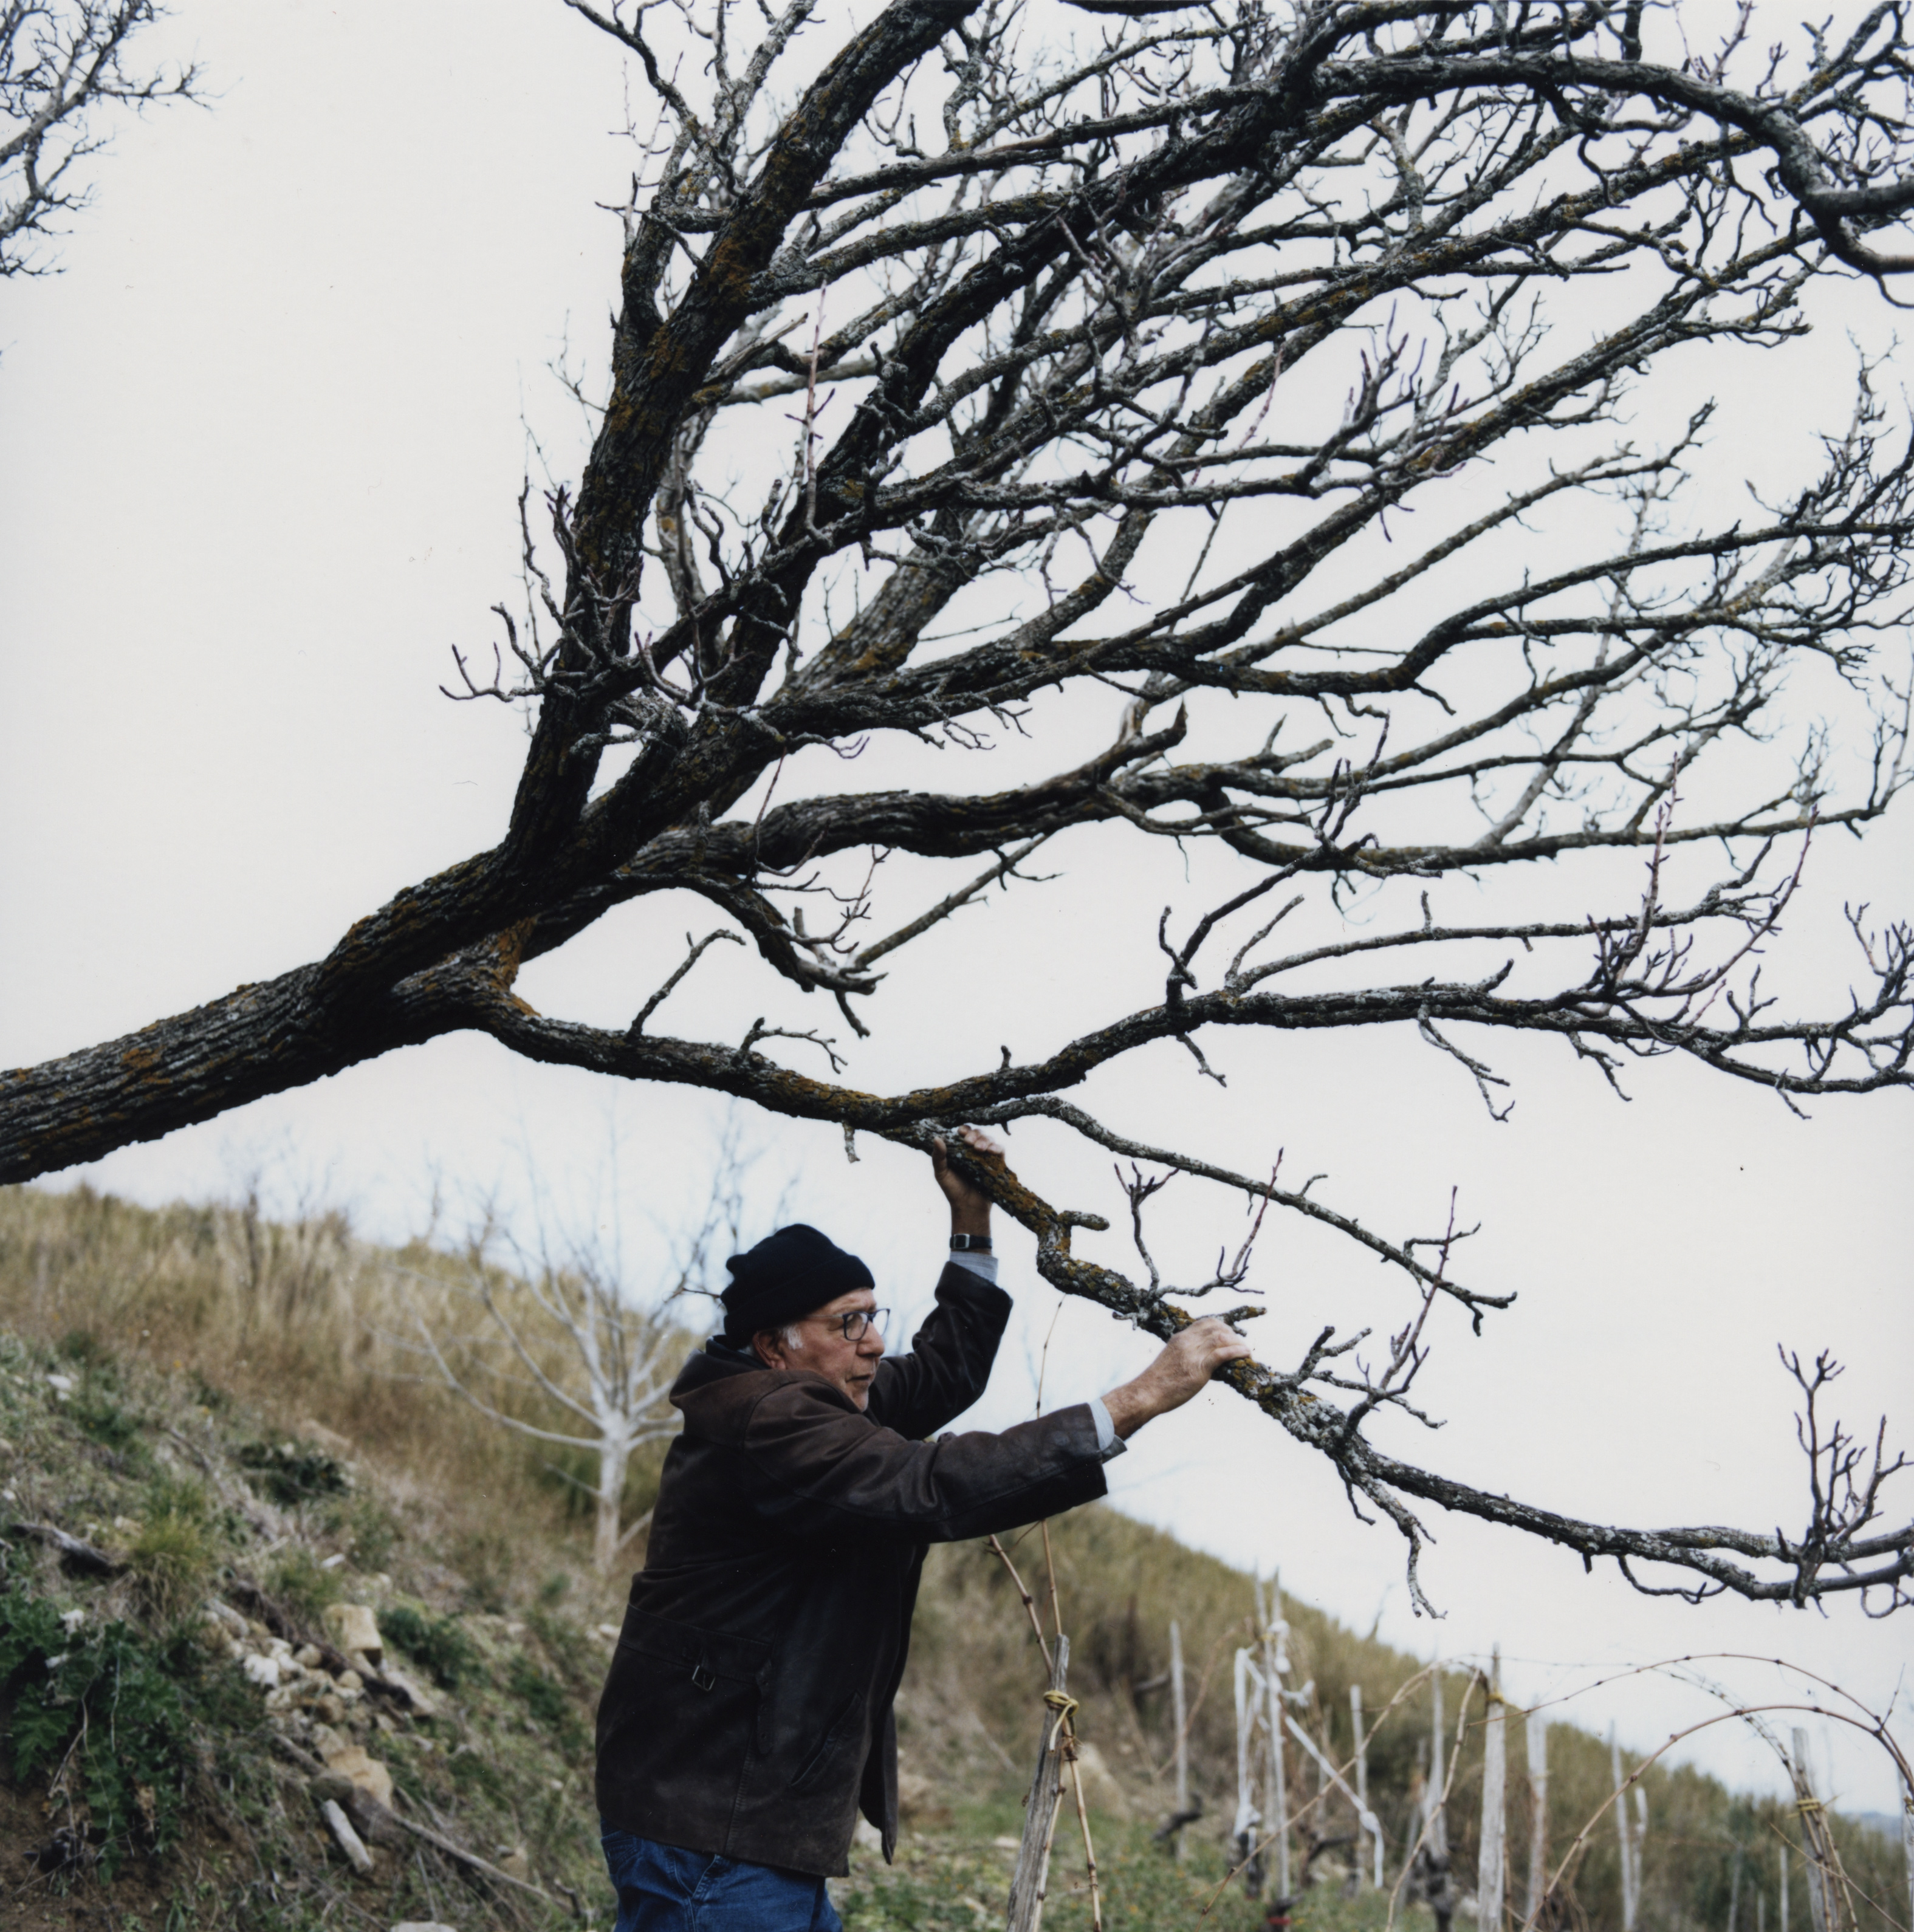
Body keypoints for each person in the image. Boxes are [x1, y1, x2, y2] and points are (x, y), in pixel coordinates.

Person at [594, 1126, 1252, 1931]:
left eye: (873, 1315)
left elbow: (944, 1372)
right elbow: (929, 1484)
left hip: (732, 1812)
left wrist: (971, 1221)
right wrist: (1139, 1397)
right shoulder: (773, 1423)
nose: (873, 1341)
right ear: (773, 1346)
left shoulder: (814, 1398)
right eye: (847, 1323)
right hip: (713, 1828)